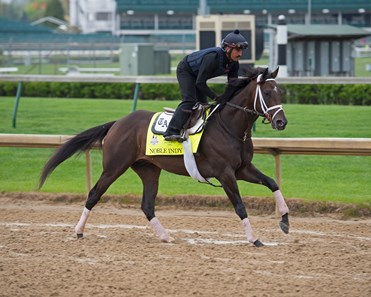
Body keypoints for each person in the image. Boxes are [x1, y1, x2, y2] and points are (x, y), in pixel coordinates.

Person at [163, 29, 248, 142]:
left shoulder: (234, 63)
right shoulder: (212, 58)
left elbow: (232, 85)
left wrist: (228, 99)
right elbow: (200, 83)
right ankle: (171, 131)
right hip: (186, 70)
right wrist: (216, 97)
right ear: (227, 48)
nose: (240, 54)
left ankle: (198, 132)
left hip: (198, 76)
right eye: (237, 50)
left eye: (241, 50)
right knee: (189, 101)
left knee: (204, 105)